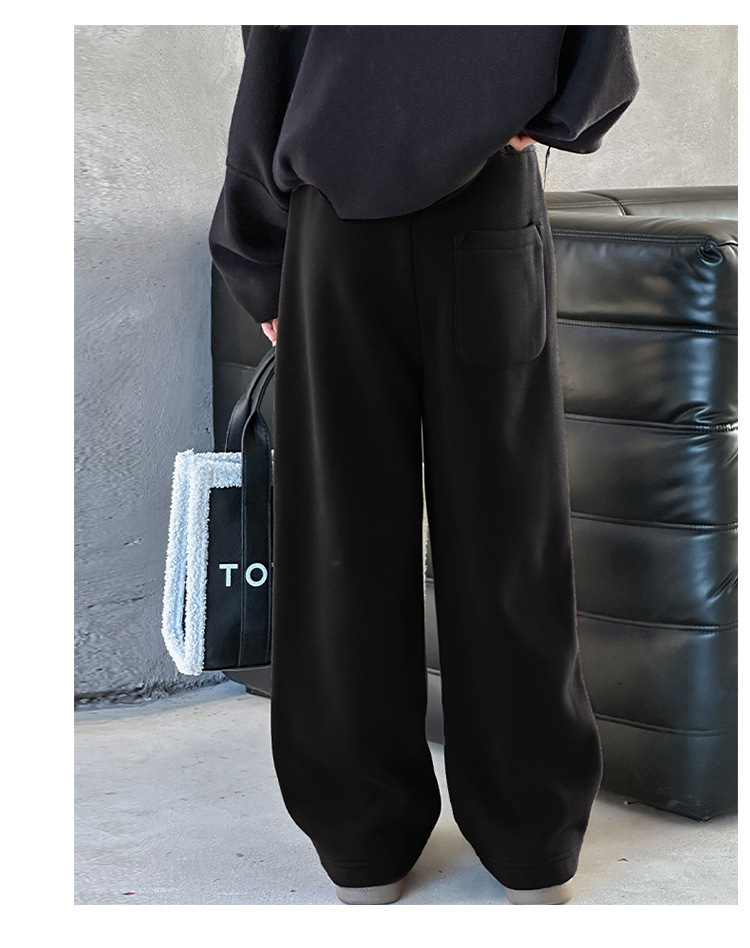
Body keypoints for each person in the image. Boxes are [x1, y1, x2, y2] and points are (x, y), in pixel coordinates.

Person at [209, 25, 639, 906]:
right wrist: (543, 112)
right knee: (508, 533)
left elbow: (274, 62)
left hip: (337, 231)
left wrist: (259, 257)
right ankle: (531, 841)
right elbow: (597, 39)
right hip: (485, 215)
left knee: (341, 541)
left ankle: (363, 841)